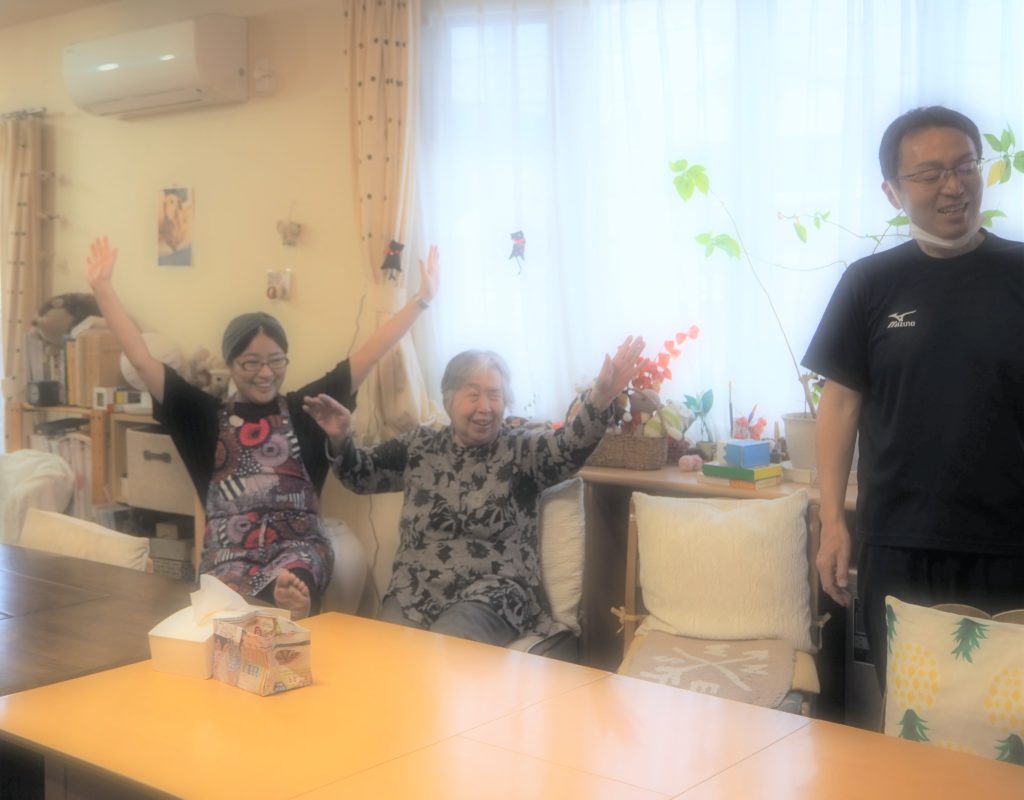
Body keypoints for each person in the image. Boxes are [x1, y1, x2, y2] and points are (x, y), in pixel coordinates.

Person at [86, 236, 440, 618]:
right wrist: (103, 288)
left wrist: (422, 299)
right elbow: (141, 361)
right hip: (228, 559)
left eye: (275, 360)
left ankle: (289, 600)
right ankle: (274, 608)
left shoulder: (308, 410)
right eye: (250, 363)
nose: (265, 373)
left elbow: (370, 355)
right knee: (231, 609)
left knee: (294, 576)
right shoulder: (201, 417)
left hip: (298, 551)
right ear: (230, 364)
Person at [802, 106, 1024, 691]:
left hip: (1011, 542)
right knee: (913, 711)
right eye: (929, 175)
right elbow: (840, 405)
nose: (953, 186)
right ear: (892, 191)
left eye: (965, 166)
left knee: (1007, 718)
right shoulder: (870, 283)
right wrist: (833, 521)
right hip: (899, 543)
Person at [302, 337, 647, 645]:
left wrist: (601, 396)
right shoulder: (420, 447)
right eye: (473, 394)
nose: (485, 407)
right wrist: (340, 438)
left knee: (445, 651)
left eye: (495, 395)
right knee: (387, 654)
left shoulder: (520, 451)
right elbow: (361, 475)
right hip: (415, 590)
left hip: (493, 593)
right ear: (449, 400)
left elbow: (568, 447)